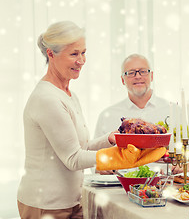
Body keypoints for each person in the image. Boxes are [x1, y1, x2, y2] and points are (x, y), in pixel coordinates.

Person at [17, 21, 165, 219]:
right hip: (46, 205)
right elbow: (73, 158)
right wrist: (121, 157)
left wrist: (112, 138)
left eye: (83, 53)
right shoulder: (47, 98)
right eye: (74, 54)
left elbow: (82, 146)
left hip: (73, 200)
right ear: (51, 54)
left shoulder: (68, 94)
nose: (81, 60)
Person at [94, 53, 187, 174]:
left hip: (165, 185)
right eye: (131, 73)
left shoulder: (174, 111)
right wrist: (107, 167)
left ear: (151, 76)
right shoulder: (107, 115)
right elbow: (95, 161)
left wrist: (186, 165)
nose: (138, 76)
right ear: (122, 80)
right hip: (119, 187)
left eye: (143, 71)